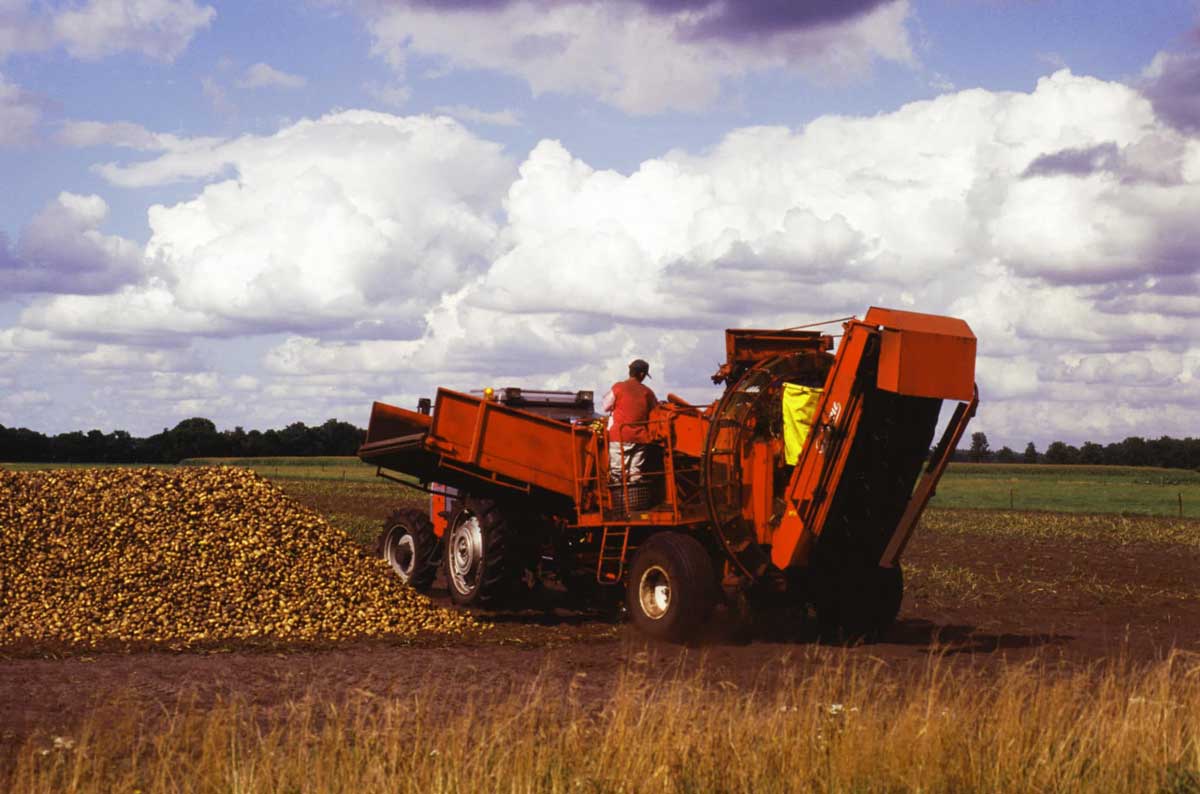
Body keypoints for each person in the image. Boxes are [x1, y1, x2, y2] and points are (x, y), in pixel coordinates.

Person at [602, 359, 657, 485]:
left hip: (619, 436)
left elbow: (605, 406)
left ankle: (619, 501)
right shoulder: (648, 392)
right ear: (642, 375)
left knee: (617, 474)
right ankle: (634, 501)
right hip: (641, 437)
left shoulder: (618, 387)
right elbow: (655, 411)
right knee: (635, 473)